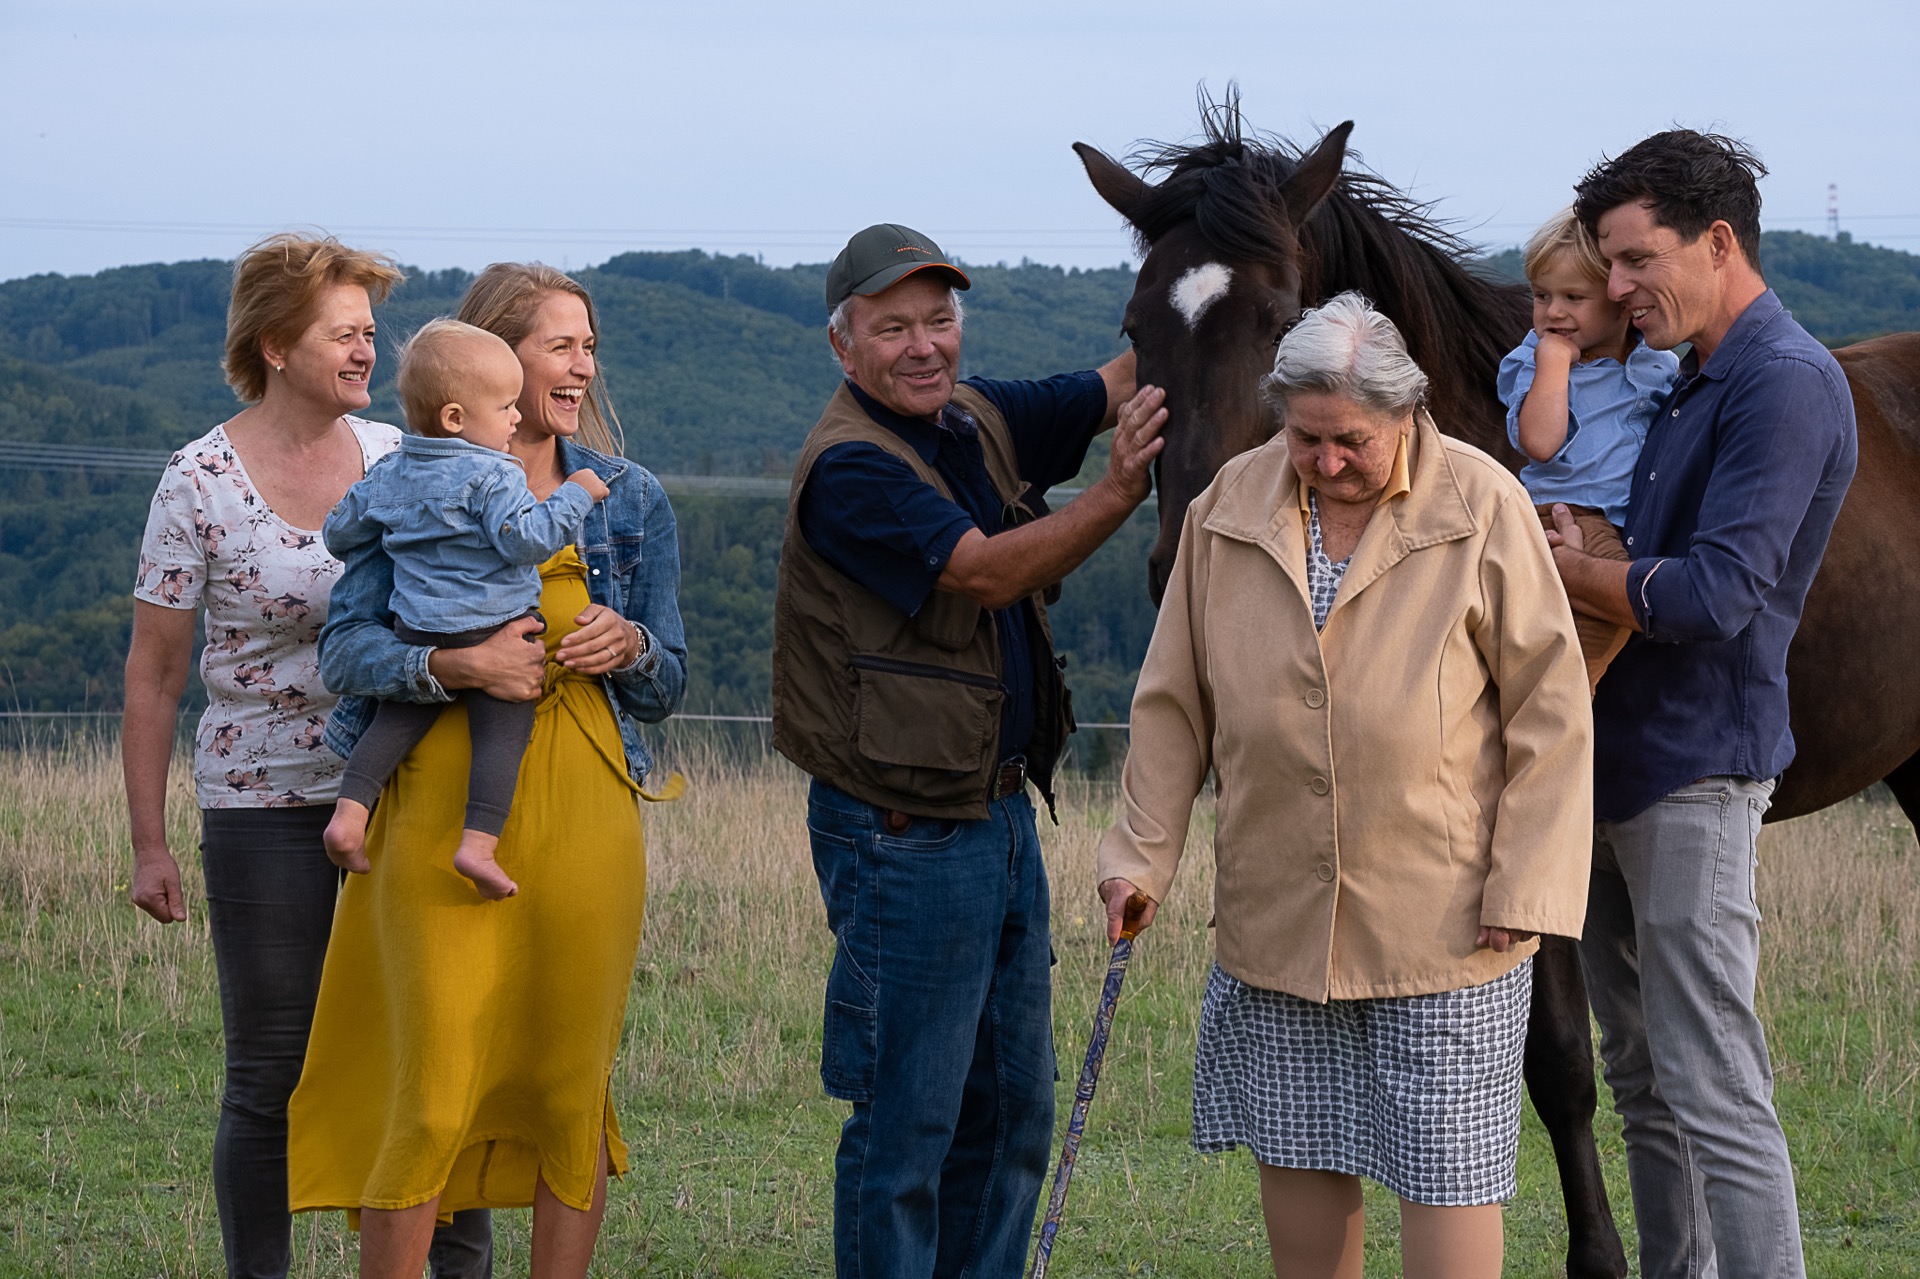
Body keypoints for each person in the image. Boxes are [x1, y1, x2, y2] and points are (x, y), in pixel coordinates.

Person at [1096, 292, 1594, 1279]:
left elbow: (1553, 712)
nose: (1325, 462)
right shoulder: (1227, 507)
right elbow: (1172, 703)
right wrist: (1138, 859)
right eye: (1305, 437)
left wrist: (1527, 885)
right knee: (1299, 1159)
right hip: (1277, 918)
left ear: (1405, 413)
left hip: (1448, 925)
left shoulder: (1483, 504)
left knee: (1448, 1176)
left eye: (1350, 441)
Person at [771, 222, 1162, 1278]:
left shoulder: (976, 415)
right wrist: (1117, 492)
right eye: (892, 327)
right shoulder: (850, 468)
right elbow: (984, 571)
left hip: (998, 814)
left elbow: (1120, 379)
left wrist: (1202, 278)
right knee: (908, 1127)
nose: (923, 345)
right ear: (842, 345)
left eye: (938, 319)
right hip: (900, 837)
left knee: (1010, 1121)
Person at [285, 262, 687, 1279]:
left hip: (587, 813)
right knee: (430, 1086)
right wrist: (453, 666)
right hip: (432, 810)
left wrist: (631, 645)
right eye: (560, 347)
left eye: (589, 347)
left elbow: (668, 682)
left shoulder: (630, 497)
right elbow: (346, 654)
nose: (582, 368)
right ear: (492, 364)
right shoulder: (410, 484)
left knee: (569, 1083)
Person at [121, 233, 492, 1278]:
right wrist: (149, 842)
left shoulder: (399, 456)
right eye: (344, 332)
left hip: (406, 793)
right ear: (276, 345)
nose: (367, 348)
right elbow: (154, 675)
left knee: (429, 1059)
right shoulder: (197, 479)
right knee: (271, 1072)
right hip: (261, 805)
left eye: (371, 330)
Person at [1551, 130, 1857, 1279]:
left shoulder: (1785, 381)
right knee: (1643, 1079)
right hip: (1613, 768)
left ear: (1719, 242)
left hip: (1697, 774)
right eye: (1609, 265)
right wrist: (1589, 546)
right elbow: (1653, 563)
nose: (1617, 289)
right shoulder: (1689, 379)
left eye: (1637, 260)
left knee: (1714, 1086)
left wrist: (1567, 572)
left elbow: (1718, 594)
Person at [321, 318, 610, 899]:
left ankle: (348, 818)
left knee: (394, 720)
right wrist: (577, 492)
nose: (516, 418)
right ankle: (477, 845)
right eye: (505, 407)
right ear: (455, 418)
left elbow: (338, 532)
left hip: (416, 631)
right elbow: (527, 540)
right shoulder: (493, 474)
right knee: (504, 728)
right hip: (493, 626)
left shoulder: (390, 470)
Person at [1497, 206, 1679, 694]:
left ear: (1621, 301)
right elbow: (1540, 443)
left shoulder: (1657, 363)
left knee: (1583, 626)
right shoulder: (1535, 360)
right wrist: (1554, 364)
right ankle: (1560, 707)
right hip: (1567, 514)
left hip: (1628, 522)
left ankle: (1559, 702)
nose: (1553, 312)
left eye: (1573, 298)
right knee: (1612, 613)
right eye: (1541, 296)